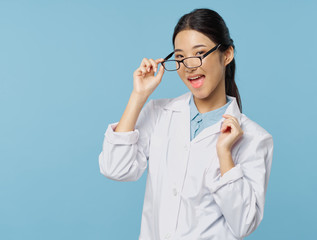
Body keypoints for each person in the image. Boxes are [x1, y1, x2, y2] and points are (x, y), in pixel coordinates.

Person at [98, 8, 274, 240]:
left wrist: (225, 155)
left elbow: (244, 223)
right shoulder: (160, 113)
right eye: (180, 57)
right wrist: (138, 96)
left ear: (227, 54)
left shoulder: (256, 138)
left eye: (199, 53)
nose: (189, 66)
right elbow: (115, 168)